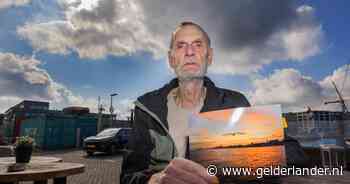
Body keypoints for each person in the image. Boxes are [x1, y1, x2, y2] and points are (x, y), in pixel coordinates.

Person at [120, 21, 251, 184]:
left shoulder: (236, 104)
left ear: (209, 56)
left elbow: (283, 161)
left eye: (198, 44)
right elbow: (128, 177)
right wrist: (153, 181)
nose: (190, 52)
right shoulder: (146, 108)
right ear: (171, 59)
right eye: (181, 46)